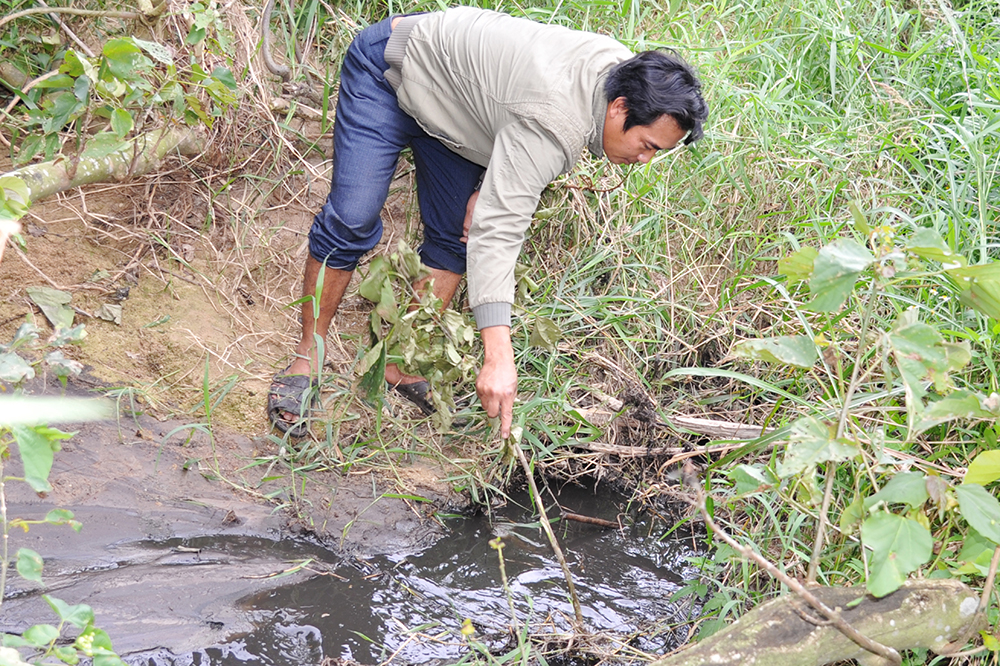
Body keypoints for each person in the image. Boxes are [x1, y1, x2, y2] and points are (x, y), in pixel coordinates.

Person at [268, 6, 708, 438]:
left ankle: (399, 365)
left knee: (456, 238)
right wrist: (498, 355)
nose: (645, 159)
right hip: (392, 72)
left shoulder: (620, 70)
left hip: (459, 107)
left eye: (659, 152)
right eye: (648, 144)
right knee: (353, 216)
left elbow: (510, 109)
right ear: (619, 108)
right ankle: (308, 357)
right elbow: (498, 229)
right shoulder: (559, 118)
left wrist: (491, 177)